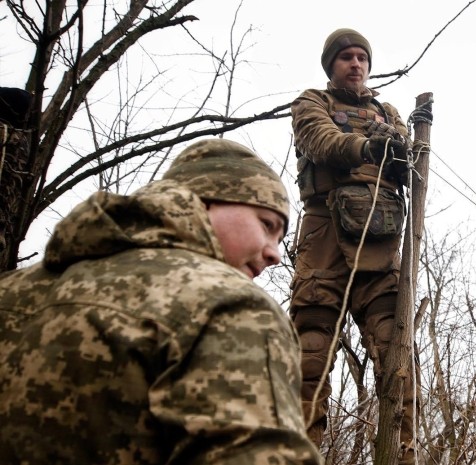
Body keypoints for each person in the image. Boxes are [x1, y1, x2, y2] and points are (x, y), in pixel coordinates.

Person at [0, 138, 321, 465]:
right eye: (267, 226)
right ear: (204, 203)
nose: (275, 254)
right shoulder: (229, 302)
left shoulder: (10, 287)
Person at [289, 28, 418, 462]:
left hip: (380, 244)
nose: (356, 64)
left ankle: (403, 453)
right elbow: (320, 141)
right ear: (332, 65)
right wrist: (366, 145)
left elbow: (410, 168)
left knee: (397, 356)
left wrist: (404, 148)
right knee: (309, 356)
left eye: (362, 57)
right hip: (324, 237)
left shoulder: (388, 111)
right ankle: (300, 454)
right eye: (346, 57)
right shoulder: (313, 102)